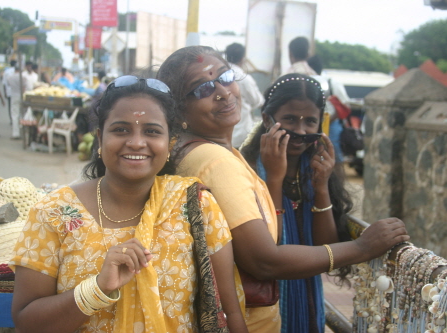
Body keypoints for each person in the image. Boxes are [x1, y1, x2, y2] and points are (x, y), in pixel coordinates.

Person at [156, 45, 409, 333]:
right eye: (202, 88)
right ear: (178, 108)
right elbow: (264, 260)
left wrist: (317, 187)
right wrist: (361, 247)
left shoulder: (197, 152)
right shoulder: (216, 162)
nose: (223, 92)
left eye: (225, 77)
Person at [10, 76, 247, 333]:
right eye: (121, 129)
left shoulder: (196, 206)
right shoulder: (54, 213)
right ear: (100, 139)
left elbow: (229, 310)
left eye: (152, 131)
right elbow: (27, 321)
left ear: (170, 143)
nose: (136, 142)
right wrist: (98, 288)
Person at [240, 73, 354, 332]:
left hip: (308, 298)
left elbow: (327, 248)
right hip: (261, 304)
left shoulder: (315, 168)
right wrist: (275, 178)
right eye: (290, 119)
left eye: (310, 121)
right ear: (267, 119)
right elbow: (270, 247)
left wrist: (321, 186)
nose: (301, 131)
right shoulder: (246, 170)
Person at [308, 55, 350, 164]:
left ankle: (336, 175)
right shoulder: (306, 83)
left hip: (331, 124)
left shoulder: (332, 84)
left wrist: (329, 120)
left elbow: (345, 105)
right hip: (311, 122)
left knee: (334, 150)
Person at [224, 43, 264, 148]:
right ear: (242, 58)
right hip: (240, 135)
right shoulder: (244, 78)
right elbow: (257, 101)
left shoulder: (217, 75)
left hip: (220, 133)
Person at [7, 67, 26, 140]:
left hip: (14, 96)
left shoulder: (10, 77)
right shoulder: (23, 77)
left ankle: (15, 133)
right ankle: (22, 132)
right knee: (22, 114)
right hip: (21, 96)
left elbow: (8, 85)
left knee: (15, 115)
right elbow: (24, 88)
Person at [3, 60, 17, 124]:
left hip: (9, 91)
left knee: (10, 106)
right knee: (16, 107)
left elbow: (4, 83)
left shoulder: (6, 71)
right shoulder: (18, 72)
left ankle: (11, 119)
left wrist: (5, 92)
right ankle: (16, 119)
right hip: (17, 92)